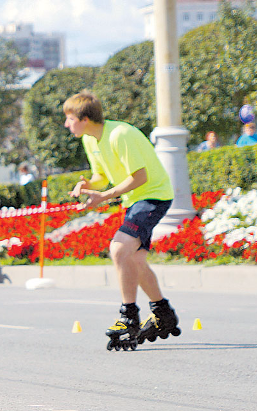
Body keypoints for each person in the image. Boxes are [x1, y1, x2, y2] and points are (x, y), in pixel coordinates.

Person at [63, 90, 181, 350]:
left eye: (69, 118)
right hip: (135, 201)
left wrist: (105, 196)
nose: (66, 124)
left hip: (153, 196)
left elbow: (140, 177)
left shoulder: (120, 134)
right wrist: (87, 185)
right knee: (135, 259)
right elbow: (102, 176)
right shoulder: (90, 140)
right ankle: (163, 314)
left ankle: (129, 317)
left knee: (118, 249)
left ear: (84, 118)